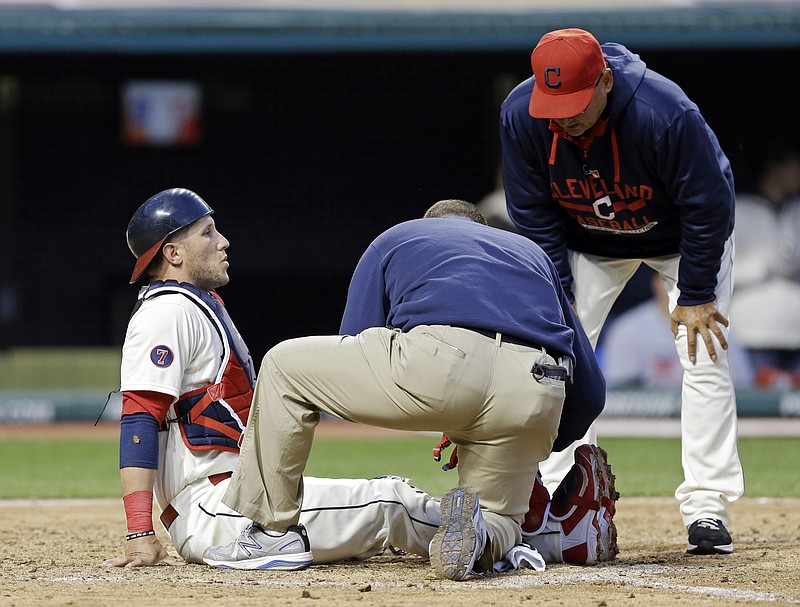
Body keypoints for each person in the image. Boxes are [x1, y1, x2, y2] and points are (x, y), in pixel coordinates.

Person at [102, 189, 614, 573]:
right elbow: (589, 389)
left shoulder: (401, 237)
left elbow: (358, 344)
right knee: (492, 518)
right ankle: (557, 535)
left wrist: (445, 402)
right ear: (170, 253)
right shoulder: (529, 255)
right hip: (539, 387)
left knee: (287, 364)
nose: (223, 240)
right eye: (208, 232)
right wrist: (519, 435)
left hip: (229, 500)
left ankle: (267, 530)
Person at [499, 27, 743, 555]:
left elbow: (710, 203)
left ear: (606, 81)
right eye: (553, 103)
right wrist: (555, 302)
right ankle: (555, 492)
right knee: (553, 356)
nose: (563, 116)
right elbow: (534, 217)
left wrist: (697, 291)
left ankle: (707, 504)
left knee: (703, 353)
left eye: (576, 103)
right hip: (585, 242)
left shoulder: (664, 113)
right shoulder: (523, 117)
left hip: (680, 240)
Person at [602, 272, 755, 389]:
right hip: (646, 421)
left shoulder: (717, 326)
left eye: (682, 282)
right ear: (656, 283)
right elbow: (619, 388)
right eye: (670, 281)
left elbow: (742, 382)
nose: (677, 289)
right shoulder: (628, 328)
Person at [729, 149, 800, 388]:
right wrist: (763, 266)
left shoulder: (796, 210)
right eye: (793, 165)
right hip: (753, 332)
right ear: (774, 169)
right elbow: (717, 269)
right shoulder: (739, 209)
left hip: (795, 330)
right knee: (757, 411)